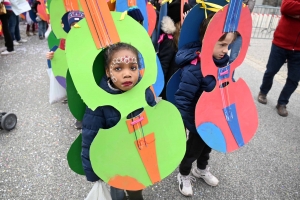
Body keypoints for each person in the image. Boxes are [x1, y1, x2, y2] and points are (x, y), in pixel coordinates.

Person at [81, 42, 156, 200]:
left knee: (136, 188)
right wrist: (94, 172)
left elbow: (155, 120)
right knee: (118, 190)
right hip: (114, 162)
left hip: (138, 156)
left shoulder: (144, 91)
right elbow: (90, 137)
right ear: (108, 72)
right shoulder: (99, 102)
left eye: (133, 68)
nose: (127, 74)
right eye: (118, 68)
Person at [174, 13, 237, 196]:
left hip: (214, 117)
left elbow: (227, 89)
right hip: (197, 120)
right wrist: (192, 124)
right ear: (208, 40)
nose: (226, 50)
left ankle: (201, 169)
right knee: (193, 149)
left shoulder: (223, 64)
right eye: (222, 45)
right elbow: (183, 100)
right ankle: (184, 173)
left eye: (228, 45)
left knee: (208, 146)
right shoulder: (194, 68)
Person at [257, 0, 300, 117]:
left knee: (294, 79)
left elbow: (290, 10)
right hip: (280, 43)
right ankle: (263, 92)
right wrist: (290, 12)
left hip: (299, 50)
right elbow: (285, 7)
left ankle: (282, 103)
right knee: (270, 71)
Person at [46, 10, 85, 129]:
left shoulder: (87, 38)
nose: (76, 27)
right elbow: (58, 52)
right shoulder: (65, 40)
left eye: (79, 24)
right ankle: (80, 117)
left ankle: (87, 116)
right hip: (72, 71)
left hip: (84, 70)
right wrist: (51, 55)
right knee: (75, 93)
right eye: (73, 25)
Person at [157, 0, 191, 99]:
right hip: (169, 88)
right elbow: (163, 66)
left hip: (180, 85)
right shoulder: (169, 41)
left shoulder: (184, 38)